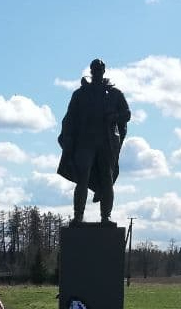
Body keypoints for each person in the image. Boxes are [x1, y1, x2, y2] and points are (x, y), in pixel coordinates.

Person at [57, 58, 131, 225]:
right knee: (82, 177)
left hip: (106, 141)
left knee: (107, 178)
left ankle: (106, 216)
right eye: (95, 69)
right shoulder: (80, 94)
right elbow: (70, 118)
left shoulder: (115, 94)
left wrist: (114, 116)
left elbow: (127, 114)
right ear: (91, 71)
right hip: (85, 141)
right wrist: (67, 138)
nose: (97, 71)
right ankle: (78, 216)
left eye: (100, 69)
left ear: (104, 71)